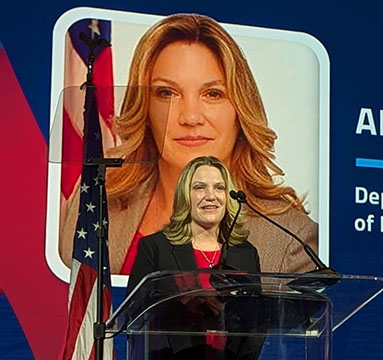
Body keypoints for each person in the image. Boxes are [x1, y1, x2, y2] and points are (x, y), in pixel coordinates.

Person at [59, 13, 318, 274]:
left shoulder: (291, 241)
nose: (190, 117)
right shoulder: (95, 198)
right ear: (145, 109)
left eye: (213, 94)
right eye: (167, 93)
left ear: (240, 111)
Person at [125, 156, 262, 359]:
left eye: (219, 188)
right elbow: (134, 314)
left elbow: (257, 323)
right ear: (185, 196)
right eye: (199, 187)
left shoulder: (246, 253)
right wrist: (183, 306)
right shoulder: (156, 248)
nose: (210, 196)